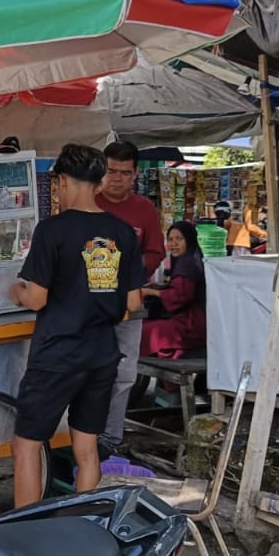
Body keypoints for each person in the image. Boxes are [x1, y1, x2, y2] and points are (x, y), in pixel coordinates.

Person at [9, 143, 143, 508]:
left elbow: (36, 298)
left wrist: (17, 291)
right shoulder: (123, 233)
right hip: (101, 354)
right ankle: (84, 530)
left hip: (57, 354)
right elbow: (133, 302)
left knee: (27, 446)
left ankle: (22, 533)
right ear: (100, 184)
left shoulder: (52, 231)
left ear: (63, 181)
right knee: (86, 448)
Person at [93, 139, 164, 456]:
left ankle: (111, 436)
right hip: (90, 305)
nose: (117, 178)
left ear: (135, 174)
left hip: (129, 305)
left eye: (124, 172)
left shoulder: (144, 210)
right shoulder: (88, 204)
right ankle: (83, 434)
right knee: (89, 369)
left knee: (124, 373)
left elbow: (156, 252)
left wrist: (130, 273)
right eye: (111, 171)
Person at [141, 221, 208, 358]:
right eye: (170, 239)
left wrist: (151, 292)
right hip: (190, 321)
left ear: (188, 240)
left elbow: (180, 296)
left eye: (179, 239)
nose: (174, 244)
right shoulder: (187, 260)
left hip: (192, 325)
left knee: (145, 332)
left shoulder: (187, 263)